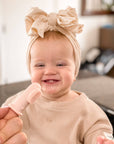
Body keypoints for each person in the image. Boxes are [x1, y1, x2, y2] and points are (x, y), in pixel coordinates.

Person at [1, 6, 114, 144]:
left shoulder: (87, 111)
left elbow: (100, 131)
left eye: (60, 64)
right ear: (30, 71)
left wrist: (102, 141)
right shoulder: (16, 104)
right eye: (40, 65)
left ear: (75, 71)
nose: (49, 71)